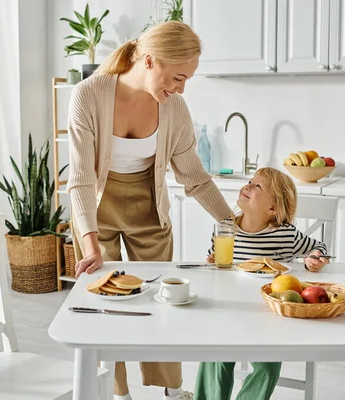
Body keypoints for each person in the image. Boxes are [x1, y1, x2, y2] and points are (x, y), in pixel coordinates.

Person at [66, 21, 234, 400]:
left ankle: (171, 391)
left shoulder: (175, 109)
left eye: (187, 79)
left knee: (165, 302)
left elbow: (195, 177)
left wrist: (233, 223)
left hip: (149, 207)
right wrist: (90, 245)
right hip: (96, 210)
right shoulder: (87, 95)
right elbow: (79, 178)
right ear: (148, 61)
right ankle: (117, 393)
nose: (181, 88)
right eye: (178, 77)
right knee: (104, 303)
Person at [195, 167, 330, 400]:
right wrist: (211, 262)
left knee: (269, 367)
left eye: (258, 186)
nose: (248, 186)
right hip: (229, 312)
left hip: (269, 320)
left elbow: (319, 248)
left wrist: (314, 259)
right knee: (214, 355)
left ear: (273, 208)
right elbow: (212, 263)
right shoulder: (226, 229)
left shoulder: (285, 235)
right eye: (249, 181)